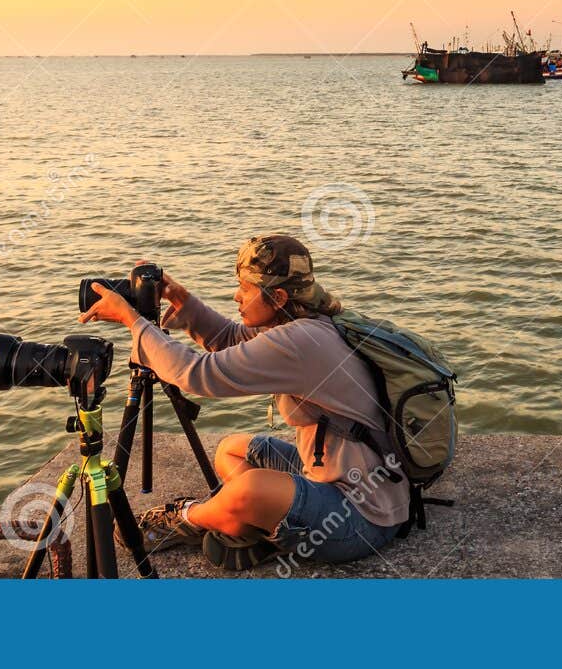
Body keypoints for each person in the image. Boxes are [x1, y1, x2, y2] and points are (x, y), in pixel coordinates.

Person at [79, 235, 405, 570]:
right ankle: (250, 522)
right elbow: (231, 340)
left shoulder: (300, 342)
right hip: (333, 475)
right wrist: (179, 298)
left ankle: (192, 516)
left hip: (362, 517)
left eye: (245, 289)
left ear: (277, 296)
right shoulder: (306, 320)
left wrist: (134, 322)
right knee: (231, 450)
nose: (237, 296)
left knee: (250, 487)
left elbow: (198, 374)